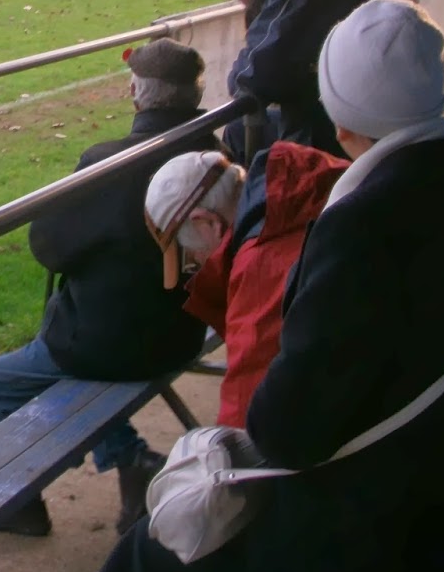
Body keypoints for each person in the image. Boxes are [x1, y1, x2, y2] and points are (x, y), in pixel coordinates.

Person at [94, 0, 444, 572]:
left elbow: (287, 431)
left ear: (343, 119)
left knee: (150, 561)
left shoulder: (359, 226)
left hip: (411, 570)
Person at [0, 40, 219, 538]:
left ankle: (18, 506)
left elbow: (49, 247)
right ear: (195, 93)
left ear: (136, 94)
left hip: (111, 344)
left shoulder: (109, 162)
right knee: (83, 370)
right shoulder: (217, 154)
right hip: (185, 332)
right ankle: (129, 459)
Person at [145, 142, 347, 428]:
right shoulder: (308, 177)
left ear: (205, 222)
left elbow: (243, 421)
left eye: (190, 256)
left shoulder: (259, 279)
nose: (198, 264)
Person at [190, 0, 381, 160]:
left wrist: (241, 77)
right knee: (238, 131)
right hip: (347, 114)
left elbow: (255, 75)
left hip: (359, 129)